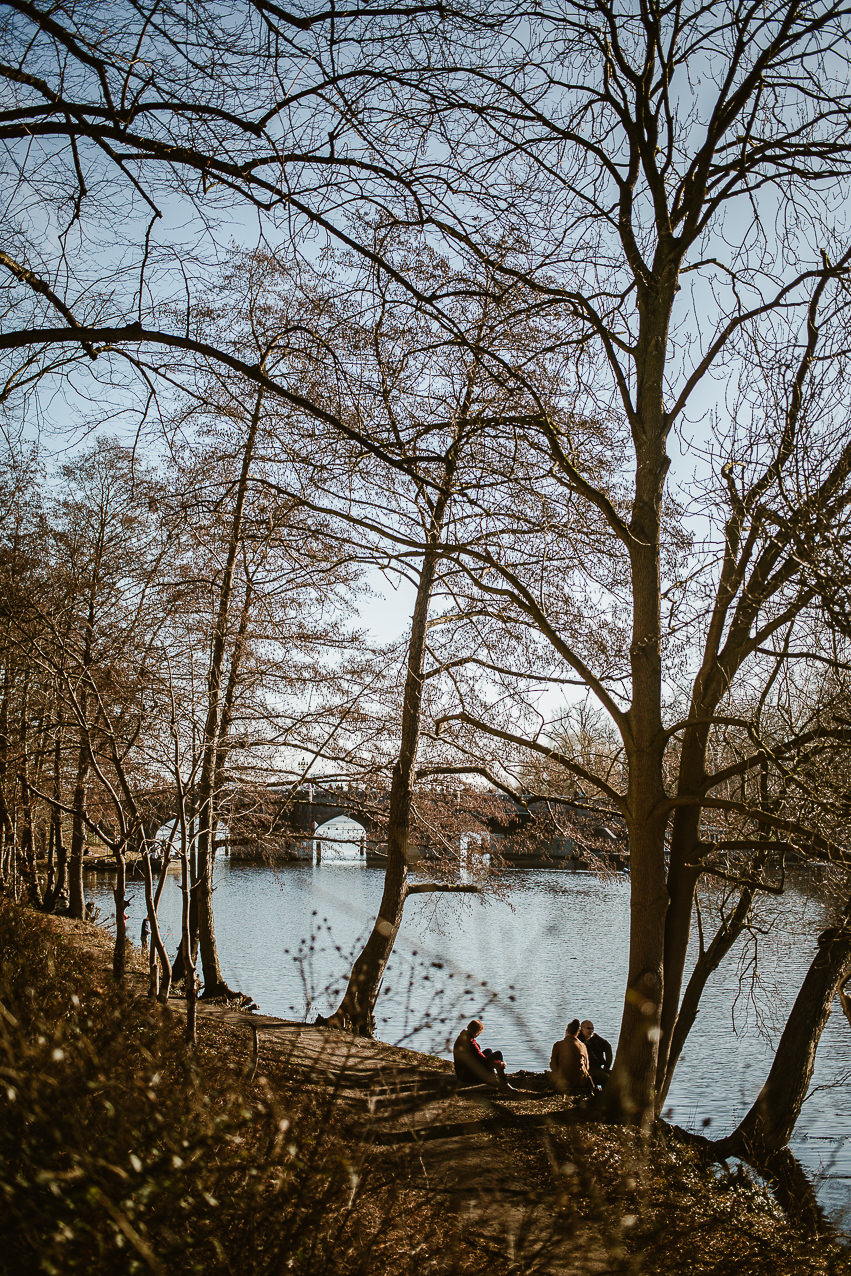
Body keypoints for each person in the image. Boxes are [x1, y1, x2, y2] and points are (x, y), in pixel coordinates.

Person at [453, 1019, 511, 1089]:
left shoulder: (463, 1036)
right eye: (479, 1032)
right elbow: (482, 1059)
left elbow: (478, 1056)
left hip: (463, 1072)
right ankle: (503, 1082)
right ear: (476, 1031)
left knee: (488, 1051)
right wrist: (500, 1064)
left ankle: (495, 1077)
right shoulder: (470, 1042)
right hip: (469, 1076)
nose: (479, 1034)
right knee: (498, 1054)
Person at [549, 1018, 596, 1096]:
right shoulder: (583, 1046)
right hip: (580, 1081)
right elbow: (587, 1066)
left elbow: (553, 1065)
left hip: (563, 1081)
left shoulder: (558, 1045)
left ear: (567, 1031)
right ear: (577, 1033)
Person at [580, 1019, 612, 1086]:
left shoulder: (595, 1038)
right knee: (606, 1078)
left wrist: (607, 1066)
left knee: (615, 1075)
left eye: (592, 1028)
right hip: (587, 1070)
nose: (591, 1031)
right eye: (588, 1028)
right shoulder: (578, 1040)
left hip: (598, 1067)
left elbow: (608, 1047)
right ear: (582, 1029)